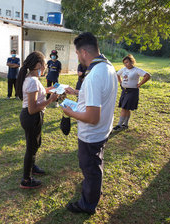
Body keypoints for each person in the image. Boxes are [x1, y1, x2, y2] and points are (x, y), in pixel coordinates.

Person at [61, 32, 118, 214]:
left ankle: (87, 204)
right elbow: (100, 95)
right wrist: (78, 93)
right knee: (95, 164)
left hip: (91, 134)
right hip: (103, 130)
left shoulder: (93, 75)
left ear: (84, 52)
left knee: (90, 168)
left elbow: (92, 117)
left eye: (77, 54)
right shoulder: (108, 67)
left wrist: (69, 111)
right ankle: (93, 189)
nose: (78, 57)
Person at [16, 51, 58, 189]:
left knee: (35, 144)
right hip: (32, 117)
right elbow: (32, 109)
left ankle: (32, 167)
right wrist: (50, 101)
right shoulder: (33, 81)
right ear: (38, 65)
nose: (46, 66)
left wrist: (50, 89)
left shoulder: (31, 78)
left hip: (30, 117)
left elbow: (38, 92)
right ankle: (26, 180)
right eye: (45, 64)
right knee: (31, 147)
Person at [113, 54, 151, 130]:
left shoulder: (136, 70)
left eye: (127, 62)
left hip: (132, 91)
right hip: (124, 90)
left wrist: (140, 84)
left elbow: (147, 75)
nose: (125, 64)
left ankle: (119, 125)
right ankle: (125, 124)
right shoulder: (123, 69)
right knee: (126, 108)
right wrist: (120, 82)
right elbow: (117, 74)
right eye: (124, 63)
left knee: (124, 108)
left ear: (132, 61)